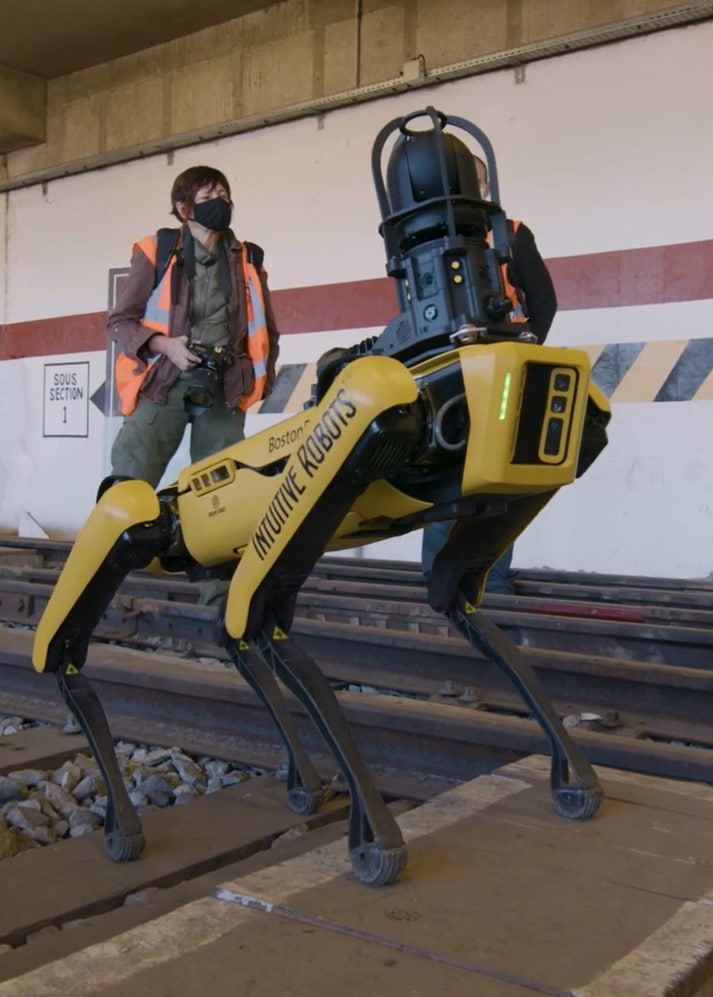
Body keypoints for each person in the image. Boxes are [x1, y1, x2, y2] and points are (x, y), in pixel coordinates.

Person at [107, 164, 280, 606]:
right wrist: (165, 345)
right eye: (208, 193)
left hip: (223, 386)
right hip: (164, 381)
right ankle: (105, 580)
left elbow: (267, 331)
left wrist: (256, 378)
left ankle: (219, 594)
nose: (219, 199)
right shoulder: (158, 250)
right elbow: (120, 322)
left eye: (224, 191)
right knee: (131, 476)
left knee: (219, 492)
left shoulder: (247, 257)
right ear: (184, 207)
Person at [421, 155, 558, 595]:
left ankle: (488, 585)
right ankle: (440, 585)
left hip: (502, 373)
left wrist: (522, 348)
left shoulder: (510, 234)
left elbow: (543, 302)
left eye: (473, 181)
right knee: (450, 477)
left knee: (497, 479)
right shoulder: (425, 239)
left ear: (485, 186)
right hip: (451, 374)